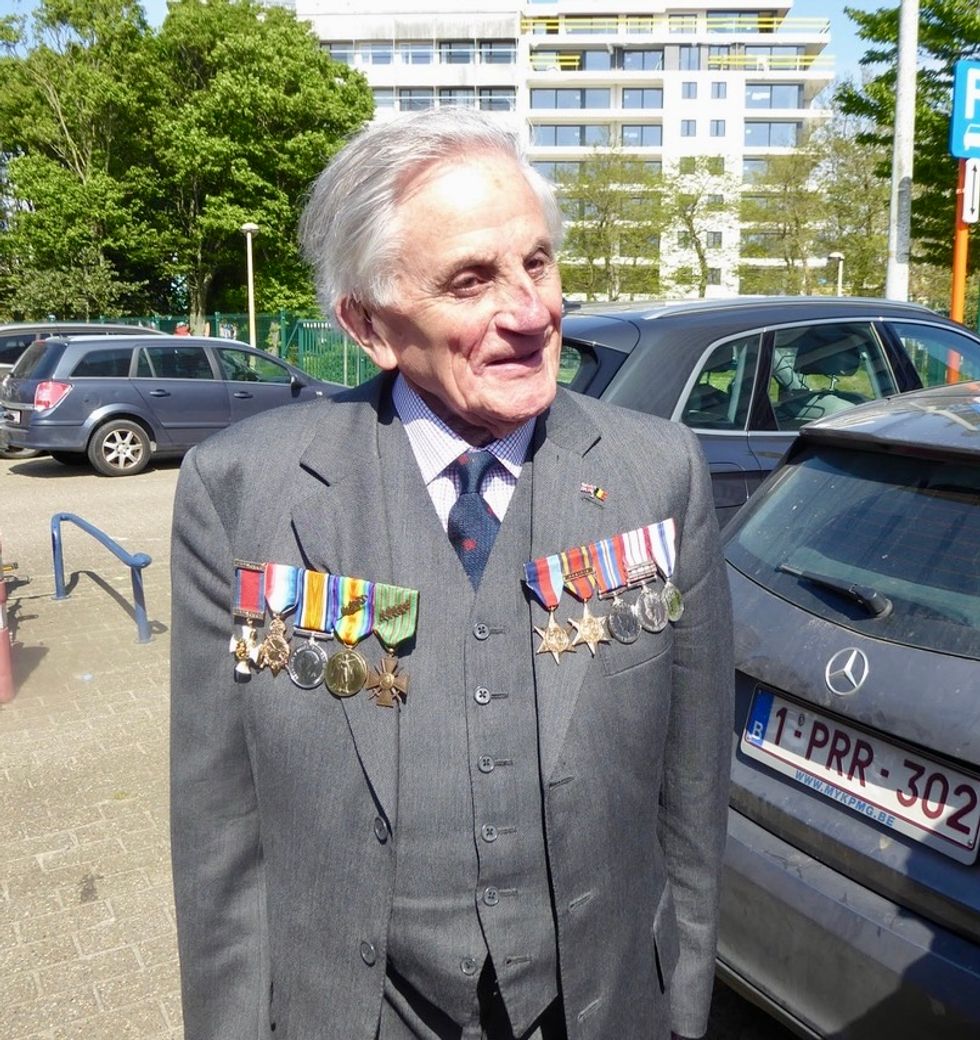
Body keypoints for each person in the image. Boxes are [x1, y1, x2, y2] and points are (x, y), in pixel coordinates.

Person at [170, 109, 733, 1040]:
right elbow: (217, 832)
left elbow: (695, 791)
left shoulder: (659, 474)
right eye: (471, 280)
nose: (530, 311)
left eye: (538, 262)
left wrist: (684, 1009)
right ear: (369, 325)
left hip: (596, 1007)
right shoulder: (242, 494)